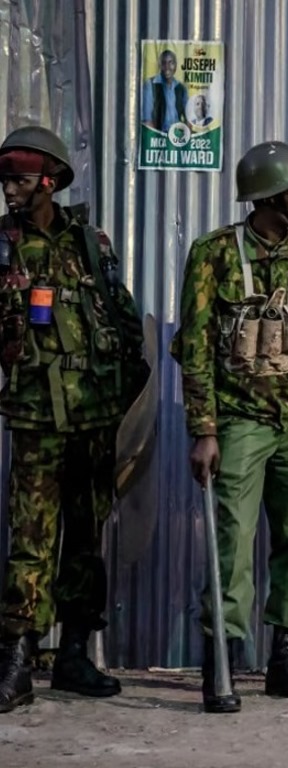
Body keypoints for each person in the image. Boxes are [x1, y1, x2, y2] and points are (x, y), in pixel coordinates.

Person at [171, 141, 288, 713]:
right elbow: (194, 346)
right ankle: (219, 662)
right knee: (232, 543)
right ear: (271, 197)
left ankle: (285, 658)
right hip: (240, 422)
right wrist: (205, 428)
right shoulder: (214, 254)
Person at [0, 126, 146, 713]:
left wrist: (124, 392)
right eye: (6, 177)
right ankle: (16, 658)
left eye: (19, 176)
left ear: (49, 180)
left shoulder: (90, 243)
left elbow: (123, 313)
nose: (9, 187)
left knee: (85, 541)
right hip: (37, 419)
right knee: (31, 541)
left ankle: (75, 654)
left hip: (93, 418)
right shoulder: (4, 247)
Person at [141, 48, 188, 132]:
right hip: (159, 135)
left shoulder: (181, 88)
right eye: (164, 63)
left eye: (171, 63)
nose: (167, 67)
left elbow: (189, 119)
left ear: (176, 65)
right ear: (159, 65)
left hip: (177, 136)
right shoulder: (150, 85)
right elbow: (147, 121)